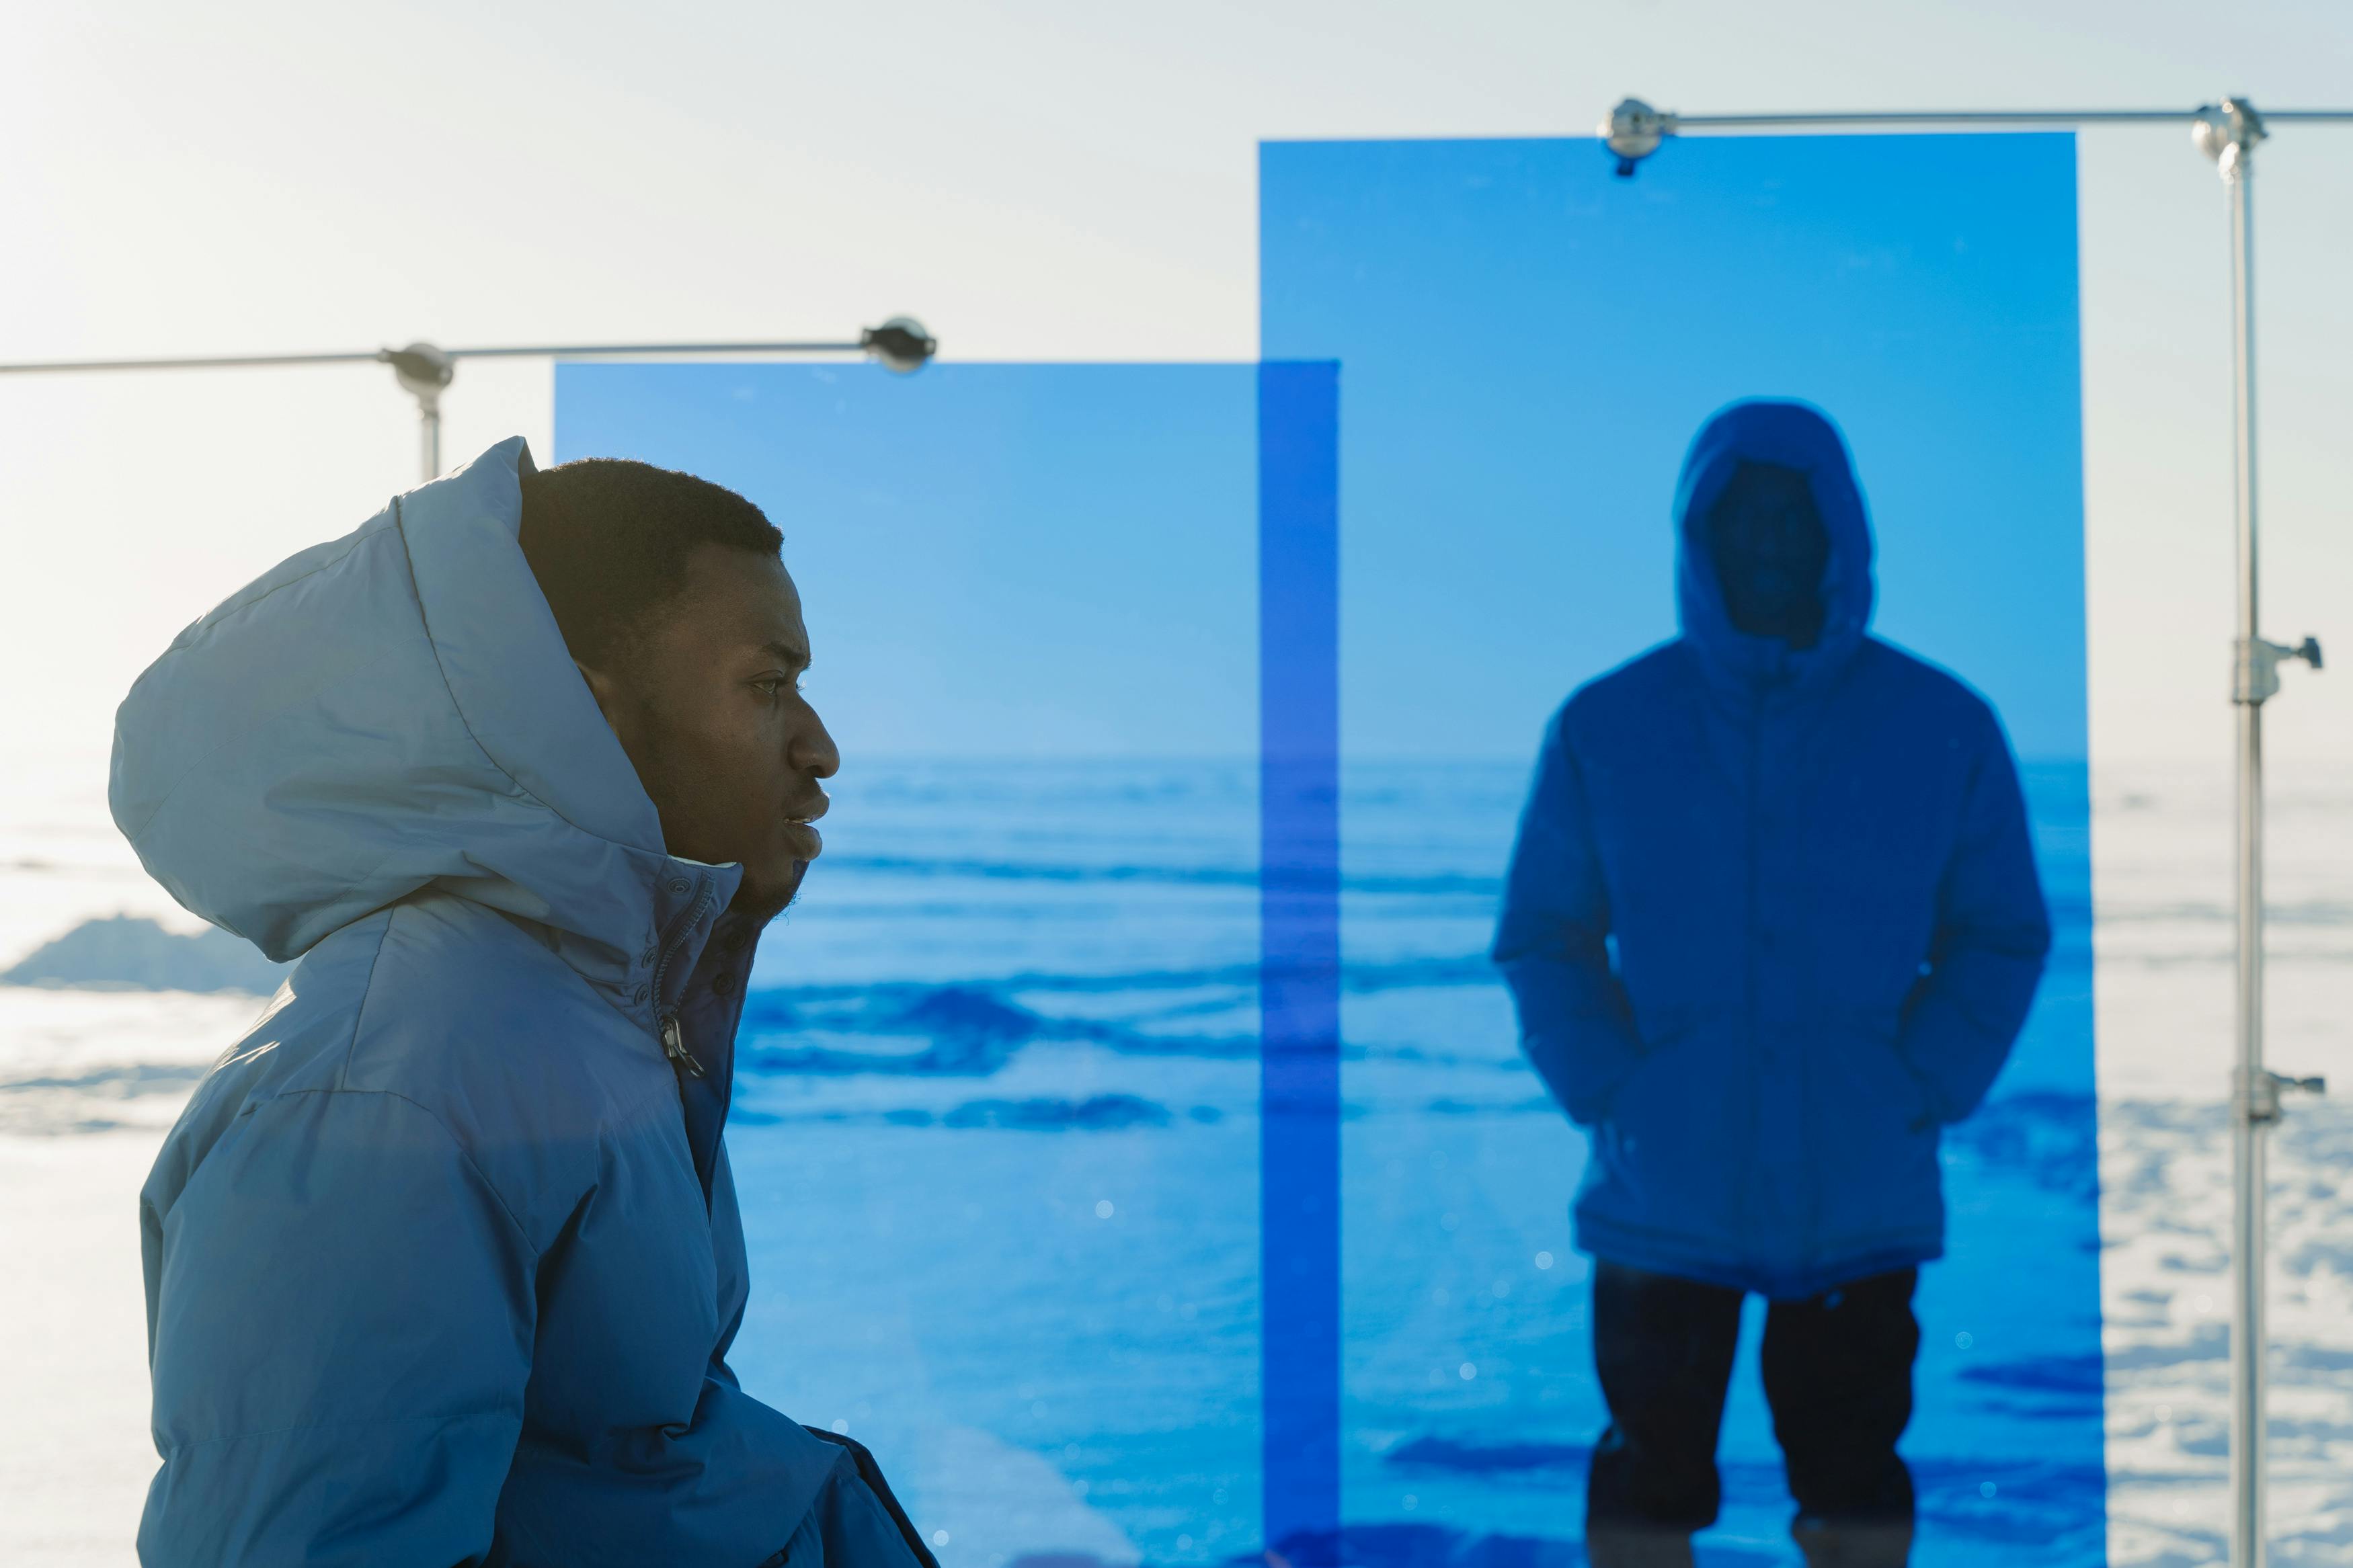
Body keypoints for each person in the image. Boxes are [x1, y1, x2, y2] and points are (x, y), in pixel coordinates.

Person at [117, 440, 936, 1567]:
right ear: (589, 715)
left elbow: (621, 1468)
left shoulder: (584, 1012)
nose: (821, 746)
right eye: (767, 684)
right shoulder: (395, 1092)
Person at [1491, 401, 2050, 1568]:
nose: (1767, 543)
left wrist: (1922, 1081)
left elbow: (1998, 933)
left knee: (1853, 1481)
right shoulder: (1610, 725)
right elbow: (1546, 933)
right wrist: (1614, 1088)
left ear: (1841, 532)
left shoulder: (1939, 725)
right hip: (1664, 1191)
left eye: (1792, 517)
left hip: (1860, 1189)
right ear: (1698, 534)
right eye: (1741, 517)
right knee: (1648, 1479)